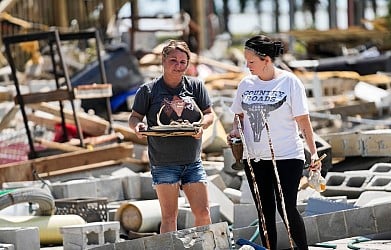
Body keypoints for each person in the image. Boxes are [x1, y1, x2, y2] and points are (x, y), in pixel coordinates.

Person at [227, 35, 322, 250]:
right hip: (254, 157)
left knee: (287, 208)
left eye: (251, 62)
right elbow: (238, 115)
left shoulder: (289, 82)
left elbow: (303, 122)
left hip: (287, 156)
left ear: (267, 60)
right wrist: (235, 130)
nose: (247, 66)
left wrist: (314, 154)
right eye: (246, 61)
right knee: (264, 210)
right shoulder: (245, 84)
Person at [128, 40, 214, 233]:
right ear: (163, 61)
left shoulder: (196, 87)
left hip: (192, 162)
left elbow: (209, 113)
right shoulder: (148, 90)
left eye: (183, 62)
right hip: (164, 163)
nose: (178, 65)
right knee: (169, 218)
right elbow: (134, 118)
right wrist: (138, 127)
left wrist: (202, 125)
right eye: (173, 60)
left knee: (203, 213)